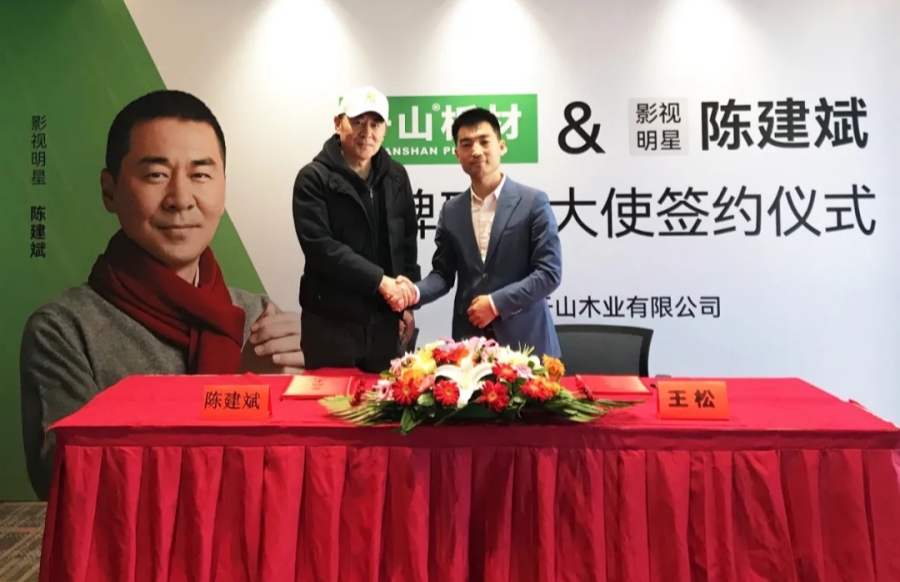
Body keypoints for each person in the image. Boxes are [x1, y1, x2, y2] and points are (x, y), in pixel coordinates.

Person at [19, 89, 304, 501]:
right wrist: (240, 394)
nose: (181, 200)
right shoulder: (64, 331)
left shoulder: (258, 316)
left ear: (223, 189)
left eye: (200, 175)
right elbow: (68, 482)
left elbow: (292, 471)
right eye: (156, 175)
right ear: (110, 191)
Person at [391, 107, 562, 357]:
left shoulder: (533, 202)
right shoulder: (451, 210)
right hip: (470, 346)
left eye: (484, 141)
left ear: (501, 146)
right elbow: (442, 275)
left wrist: (495, 303)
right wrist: (412, 293)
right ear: (457, 154)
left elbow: (549, 272)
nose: (476, 151)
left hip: (527, 343)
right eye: (467, 144)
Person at [292, 85, 420, 372]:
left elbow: (406, 243)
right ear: (338, 123)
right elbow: (321, 248)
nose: (367, 132)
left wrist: (406, 305)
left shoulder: (397, 176)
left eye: (376, 124)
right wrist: (380, 281)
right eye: (358, 122)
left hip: (384, 325)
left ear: (385, 130)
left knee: (384, 398)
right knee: (330, 399)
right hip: (330, 324)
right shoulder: (313, 178)